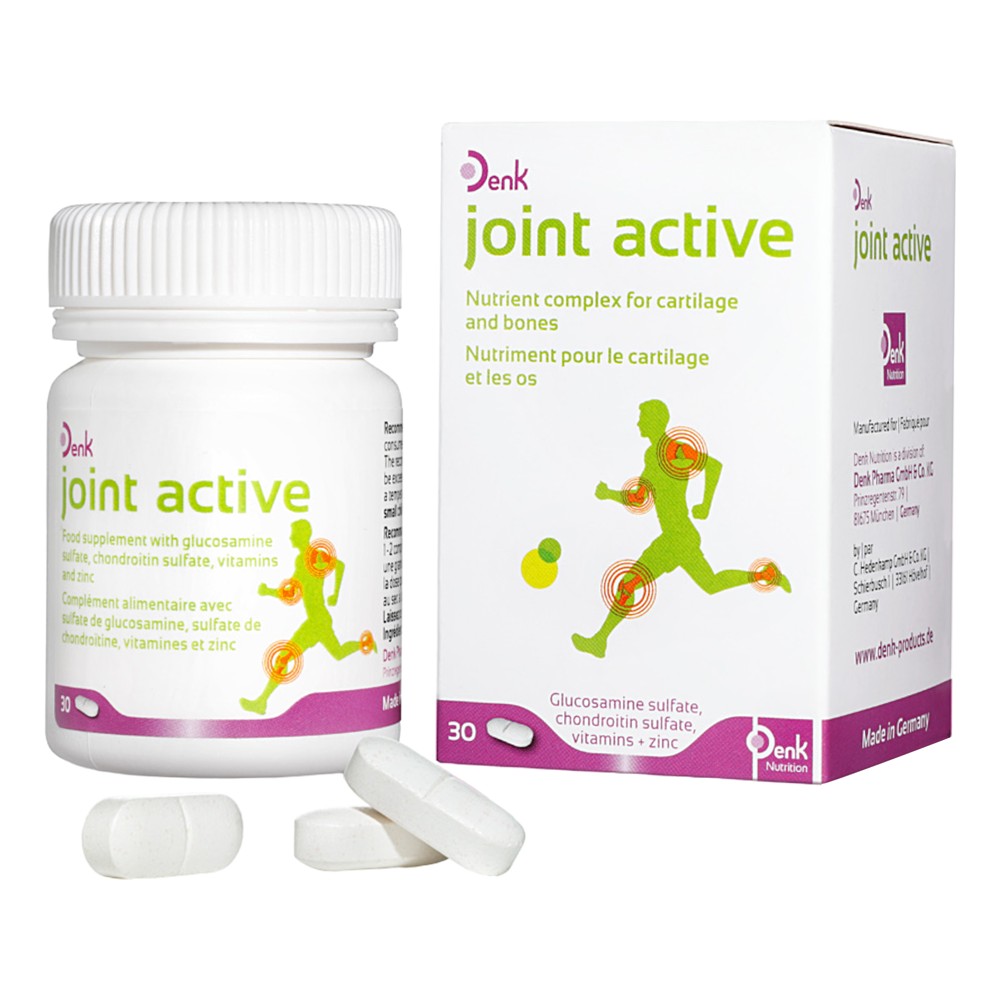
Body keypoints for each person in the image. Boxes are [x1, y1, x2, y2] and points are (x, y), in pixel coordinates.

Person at [571, 400, 790, 659]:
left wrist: (705, 505)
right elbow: (640, 497)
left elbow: (714, 465)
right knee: (710, 583)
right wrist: (609, 493)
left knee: (629, 583)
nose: (638, 422)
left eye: (642, 417)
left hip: (677, 536)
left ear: (655, 420)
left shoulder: (675, 450)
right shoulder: (651, 455)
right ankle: (765, 575)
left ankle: (600, 641)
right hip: (678, 536)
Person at [240, 519, 373, 714]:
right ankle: (364, 644)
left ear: (303, 534)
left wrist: (335, 594)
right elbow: (293, 590)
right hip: (319, 620)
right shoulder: (301, 560)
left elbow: (340, 565)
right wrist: (269, 591)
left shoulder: (315, 555)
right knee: (337, 652)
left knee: (285, 656)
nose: (290, 537)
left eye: (293, 533)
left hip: (317, 620)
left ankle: (262, 702)